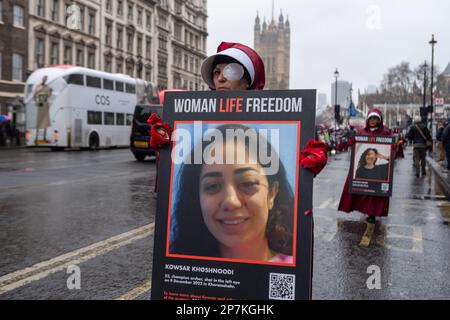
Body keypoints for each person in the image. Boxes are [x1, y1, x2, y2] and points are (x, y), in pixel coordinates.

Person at [170, 124, 294, 263]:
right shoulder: (180, 275)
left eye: (247, 183)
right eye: (213, 186)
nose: (231, 201)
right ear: (197, 198)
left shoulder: (294, 273)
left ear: (272, 193)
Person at [338, 108, 393, 224]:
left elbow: (391, 150)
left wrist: (389, 150)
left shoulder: (385, 133)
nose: (373, 121)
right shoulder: (361, 132)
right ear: (368, 119)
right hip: (363, 168)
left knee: (375, 192)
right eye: (371, 118)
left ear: (379, 120)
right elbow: (354, 146)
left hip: (377, 171)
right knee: (361, 188)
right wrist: (352, 142)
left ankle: (372, 213)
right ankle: (364, 210)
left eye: (375, 118)